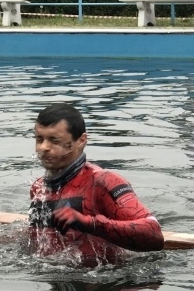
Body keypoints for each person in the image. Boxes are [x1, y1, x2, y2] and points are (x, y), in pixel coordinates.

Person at [28, 103, 164, 261]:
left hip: (108, 281)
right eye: (39, 139)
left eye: (54, 141)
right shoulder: (38, 188)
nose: (43, 147)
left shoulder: (103, 182)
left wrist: (90, 224)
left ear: (81, 140)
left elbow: (154, 233)